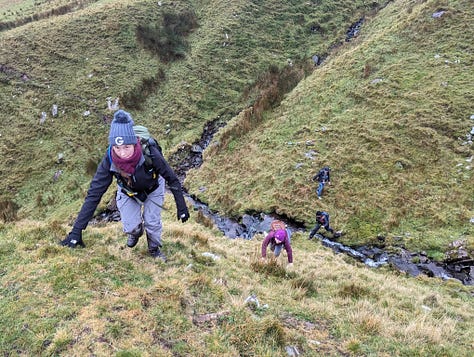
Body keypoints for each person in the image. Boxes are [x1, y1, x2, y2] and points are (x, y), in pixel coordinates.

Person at [60, 110, 190, 261]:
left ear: (134, 142)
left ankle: (154, 250)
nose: (122, 153)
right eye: (117, 148)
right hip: (128, 191)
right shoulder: (109, 160)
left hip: (153, 188)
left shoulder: (150, 152)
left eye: (127, 147)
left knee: (152, 223)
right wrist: (76, 232)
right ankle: (135, 233)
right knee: (131, 227)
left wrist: (181, 207)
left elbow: (172, 179)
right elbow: (94, 194)